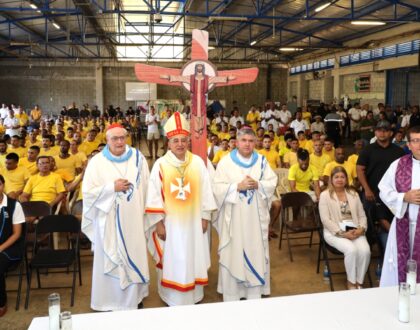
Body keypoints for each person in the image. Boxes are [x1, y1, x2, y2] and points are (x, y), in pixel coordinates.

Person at [145, 112, 216, 306]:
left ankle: (194, 295)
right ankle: (171, 296)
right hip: (171, 224)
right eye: (175, 140)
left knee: (193, 255)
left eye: (183, 140)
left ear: (188, 141)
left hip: (194, 222)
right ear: (168, 143)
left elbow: (206, 191)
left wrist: (205, 217)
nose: (180, 144)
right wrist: (158, 224)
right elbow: (153, 195)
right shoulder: (160, 165)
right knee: (173, 257)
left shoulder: (198, 163)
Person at [82, 123, 150, 311]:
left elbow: (147, 186)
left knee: (133, 255)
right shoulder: (96, 162)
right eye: (115, 138)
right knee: (110, 259)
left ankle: (134, 298)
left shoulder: (138, 158)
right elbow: (87, 193)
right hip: (107, 222)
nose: (120, 142)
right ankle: (109, 301)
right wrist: (112, 188)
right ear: (107, 140)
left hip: (133, 219)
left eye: (123, 137)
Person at [213, 127, 277, 301]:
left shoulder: (262, 161)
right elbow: (217, 188)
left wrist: (259, 185)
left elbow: (272, 181)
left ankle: (254, 294)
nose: (247, 144)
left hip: (256, 220)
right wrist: (236, 187)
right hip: (234, 219)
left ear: (255, 142)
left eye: (250, 141)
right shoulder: (226, 162)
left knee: (256, 250)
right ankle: (233, 294)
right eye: (244, 140)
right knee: (234, 251)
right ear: (236, 142)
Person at [379, 126, 420, 286]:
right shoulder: (398, 165)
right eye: (415, 141)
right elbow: (383, 190)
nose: (419, 145)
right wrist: (404, 197)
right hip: (403, 226)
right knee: (399, 268)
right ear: (408, 145)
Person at [319, 166, 370, 290]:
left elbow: (362, 215)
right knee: (351, 250)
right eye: (336, 177)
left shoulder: (353, 194)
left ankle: (359, 281)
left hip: (354, 229)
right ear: (331, 179)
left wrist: (361, 229)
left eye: (342, 177)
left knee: (365, 251)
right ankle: (351, 282)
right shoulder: (325, 195)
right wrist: (342, 233)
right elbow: (325, 220)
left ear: (347, 179)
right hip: (334, 232)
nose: (340, 180)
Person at [356, 121, 405, 250]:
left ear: (390, 133)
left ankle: (392, 245)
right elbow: (360, 170)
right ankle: (367, 247)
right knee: (367, 219)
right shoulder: (367, 150)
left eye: (385, 130)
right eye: (379, 130)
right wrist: (366, 189)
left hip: (392, 194)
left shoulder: (399, 151)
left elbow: (404, 173)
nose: (382, 133)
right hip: (371, 193)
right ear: (375, 132)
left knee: (396, 219)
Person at [0, 175, 25, 317]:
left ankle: (1, 302)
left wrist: (0, 248)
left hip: (10, 246)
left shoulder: (14, 205)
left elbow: (16, 234)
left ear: (3, 185)